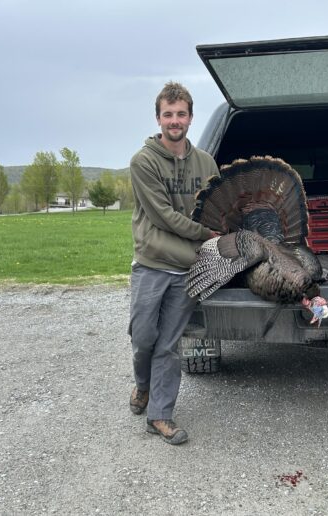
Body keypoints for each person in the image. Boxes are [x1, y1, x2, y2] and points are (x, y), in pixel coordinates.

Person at [128, 81, 220, 445]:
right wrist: (207, 234)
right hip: (152, 263)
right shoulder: (144, 162)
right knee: (143, 339)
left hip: (187, 270)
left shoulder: (206, 163)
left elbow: (217, 206)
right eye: (168, 114)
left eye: (181, 114)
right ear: (158, 118)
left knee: (168, 345)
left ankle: (160, 416)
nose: (175, 120)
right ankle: (142, 386)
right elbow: (163, 216)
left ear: (191, 117)